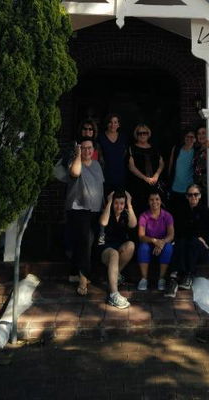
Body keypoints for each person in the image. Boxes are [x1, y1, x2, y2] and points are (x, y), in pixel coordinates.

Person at [164, 184, 209, 298]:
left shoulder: (205, 211)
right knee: (181, 242)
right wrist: (195, 236)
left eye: (196, 194)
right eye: (190, 195)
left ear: (200, 196)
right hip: (185, 246)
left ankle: (188, 275)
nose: (193, 197)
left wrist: (208, 245)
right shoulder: (182, 211)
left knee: (193, 242)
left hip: (199, 249)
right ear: (186, 196)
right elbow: (180, 231)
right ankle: (173, 279)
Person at [66, 137, 104, 296]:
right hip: (79, 209)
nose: (87, 151)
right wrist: (77, 154)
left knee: (86, 242)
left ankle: (74, 273)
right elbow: (75, 173)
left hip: (95, 210)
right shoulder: (75, 162)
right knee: (85, 242)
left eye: (90, 148)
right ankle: (83, 279)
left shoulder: (97, 165)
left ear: (93, 150)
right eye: (84, 148)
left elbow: (100, 186)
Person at [98, 190, 137, 309]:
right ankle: (113, 295)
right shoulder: (107, 212)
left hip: (119, 247)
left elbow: (133, 224)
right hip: (105, 249)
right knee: (114, 253)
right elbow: (103, 222)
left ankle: (114, 277)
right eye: (116, 203)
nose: (119, 206)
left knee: (130, 245)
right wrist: (109, 202)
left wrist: (129, 204)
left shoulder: (125, 214)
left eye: (121, 203)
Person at [137, 190, 174, 291]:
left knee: (168, 248)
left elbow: (171, 235)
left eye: (157, 199)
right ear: (148, 201)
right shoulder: (144, 216)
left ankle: (161, 279)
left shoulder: (167, 216)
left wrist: (161, 243)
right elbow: (141, 236)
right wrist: (154, 241)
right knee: (143, 247)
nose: (154, 202)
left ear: (161, 201)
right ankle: (144, 279)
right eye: (151, 200)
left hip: (162, 243)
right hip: (149, 243)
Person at [128, 124, 165, 214]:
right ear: (136, 135)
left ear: (148, 134)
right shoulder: (132, 148)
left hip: (154, 183)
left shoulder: (154, 148)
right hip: (139, 185)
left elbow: (161, 163)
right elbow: (131, 167)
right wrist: (145, 178)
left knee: (155, 208)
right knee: (140, 209)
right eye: (140, 133)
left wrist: (156, 175)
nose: (142, 135)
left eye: (144, 133)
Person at [168, 129, 196, 217]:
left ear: (195, 139)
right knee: (176, 214)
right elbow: (171, 165)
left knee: (188, 214)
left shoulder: (197, 151)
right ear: (184, 137)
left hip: (189, 189)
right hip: (175, 187)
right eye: (187, 136)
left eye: (192, 137)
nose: (189, 139)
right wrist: (169, 180)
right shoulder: (177, 149)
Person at [98, 114, 127, 191]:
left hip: (120, 174)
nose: (113, 125)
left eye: (115, 122)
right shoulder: (100, 137)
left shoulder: (123, 137)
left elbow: (125, 154)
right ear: (107, 124)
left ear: (118, 124)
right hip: (105, 174)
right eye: (110, 122)